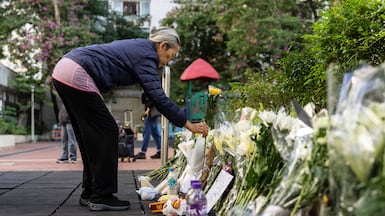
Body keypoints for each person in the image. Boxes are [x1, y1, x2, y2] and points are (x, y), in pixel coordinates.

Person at [51, 27, 209, 211]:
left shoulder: (140, 48)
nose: (166, 63)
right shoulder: (147, 56)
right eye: (170, 56)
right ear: (163, 46)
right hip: (77, 71)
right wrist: (188, 124)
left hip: (64, 69)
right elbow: (158, 96)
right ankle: (101, 195)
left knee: (90, 136)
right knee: (107, 131)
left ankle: (90, 192)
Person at [134, 92, 162, 159]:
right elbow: (143, 101)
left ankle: (143, 152)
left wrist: (148, 109)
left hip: (150, 113)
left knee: (146, 132)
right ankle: (160, 150)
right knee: (155, 133)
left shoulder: (148, 88)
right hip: (154, 113)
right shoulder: (152, 88)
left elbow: (150, 100)